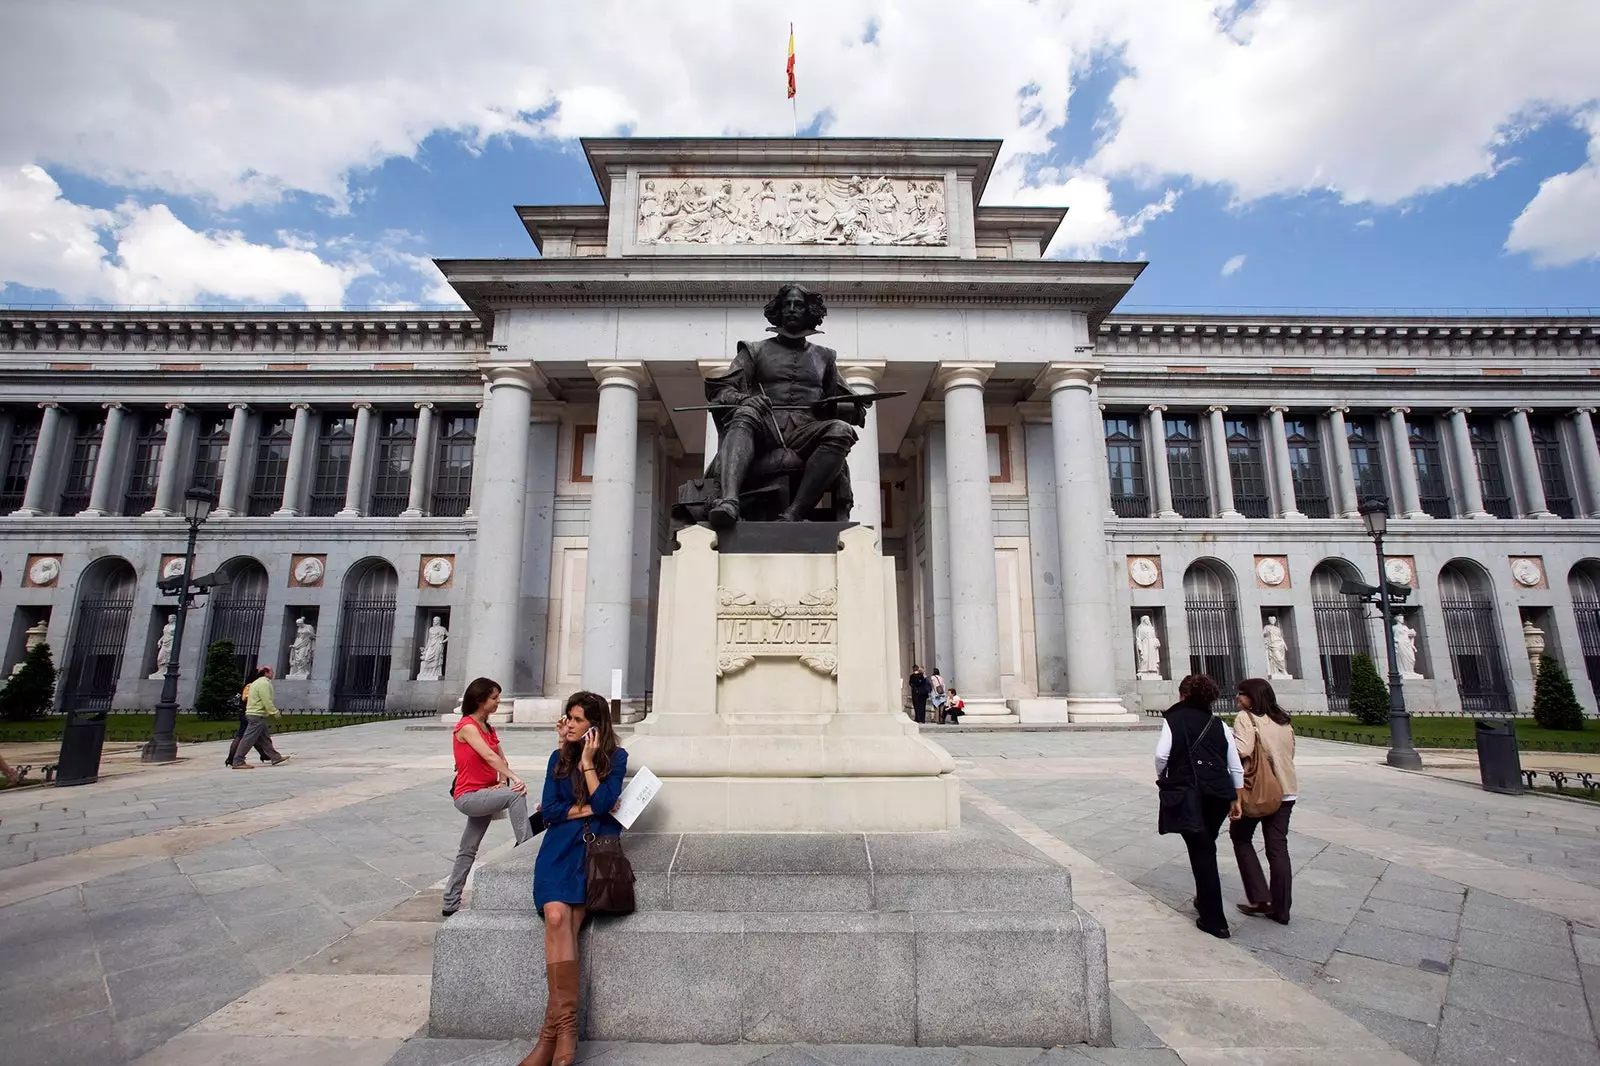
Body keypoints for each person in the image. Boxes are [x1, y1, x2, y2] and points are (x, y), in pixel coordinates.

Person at [523, 691, 628, 1066]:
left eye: (577, 719)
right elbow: (549, 812)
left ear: (594, 729)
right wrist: (589, 807)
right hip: (555, 852)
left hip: (589, 855)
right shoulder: (556, 758)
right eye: (567, 716)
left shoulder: (615, 758)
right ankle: (562, 1033)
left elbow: (604, 807)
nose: (568, 723)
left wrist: (586, 763)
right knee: (555, 917)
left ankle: (550, 1039)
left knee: (569, 925)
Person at [1155, 674, 1244, 939]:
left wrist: (1164, 776)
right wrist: (1237, 798)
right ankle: (1203, 900)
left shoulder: (1174, 719)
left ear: (1183, 696)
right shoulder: (1219, 724)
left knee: (1202, 850)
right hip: (1218, 794)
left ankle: (1214, 919)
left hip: (1190, 792)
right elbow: (1235, 764)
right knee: (1205, 844)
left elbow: (1161, 755)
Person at [443, 677, 539, 918]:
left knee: (468, 849)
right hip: (467, 795)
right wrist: (515, 780)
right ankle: (527, 850)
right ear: (480, 699)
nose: (498, 702)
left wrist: (501, 781)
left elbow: (500, 759)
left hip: (484, 793)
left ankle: (450, 902)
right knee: (516, 796)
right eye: (494, 698)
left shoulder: (489, 728)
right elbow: (487, 755)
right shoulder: (467, 726)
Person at [1230, 678, 1298, 925]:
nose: (1237, 698)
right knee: (1278, 848)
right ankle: (1281, 908)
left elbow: (1242, 751)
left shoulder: (1246, 718)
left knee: (1240, 837)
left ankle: (1260, 897)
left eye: (1241, 694)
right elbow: (1290, 752)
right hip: (1286, 790)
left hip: (1258, 790)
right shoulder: (1283, 720)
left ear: (1252, 697)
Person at [231, 667, 287, 769]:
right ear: (266, 673)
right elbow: (266, 700)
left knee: (265, 738)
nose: (273, 673)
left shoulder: (256, 682)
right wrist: (275, 712)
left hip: (254, 713)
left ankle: (275, 757)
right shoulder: (264, 683)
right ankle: (238, 761)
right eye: (271, 672)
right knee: (248, 738)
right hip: (257, 714)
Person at [224, 667, 274, 767]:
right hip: (248, 713)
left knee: (253, 737)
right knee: (243, 736)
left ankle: (264, 754)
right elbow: (247, 699)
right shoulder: (252, 686)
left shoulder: (250, 684)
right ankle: (231, 758)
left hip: (246, 712)